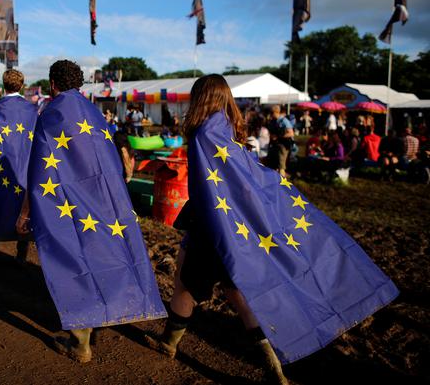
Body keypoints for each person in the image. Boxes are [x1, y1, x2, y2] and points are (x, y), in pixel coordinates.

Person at [146, 75, 398, 384]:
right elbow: (243, 179)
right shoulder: (227, 129)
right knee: (236, 291)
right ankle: (272, 369)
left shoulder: (203, 135)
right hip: (234, 230)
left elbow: (212, 187)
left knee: (187, 282)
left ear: (200, 98)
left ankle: (170, 343)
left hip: (212, 227)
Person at [17, 60, 166, 363]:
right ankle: (106, 315)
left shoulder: (52, 115)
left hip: (69, 203)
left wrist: (25, 212)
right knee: (105, 255)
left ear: (52, 84)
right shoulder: (95, 114)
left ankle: (81, 343)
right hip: (105, 202)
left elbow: (39, 169)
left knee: (72, 259)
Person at [0, 69, 38, 263]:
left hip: (2, 162)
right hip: (24, 161)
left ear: (3, 84)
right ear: (22, 85)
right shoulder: (32, 108)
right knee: (23, 197)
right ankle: (21, 250)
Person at [268, 105, 294, 177]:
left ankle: (283, 184)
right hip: (275, 145)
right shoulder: (273, 121)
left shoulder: (284, 121)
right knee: (274, 164)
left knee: (281, 166)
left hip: (283, 146)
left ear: (276, 112)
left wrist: (278, 137)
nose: (270, 114)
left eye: (271, 113)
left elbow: (291, 133)